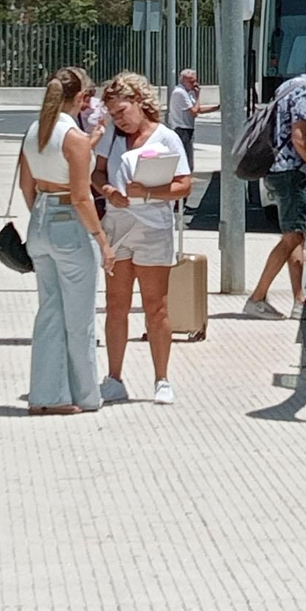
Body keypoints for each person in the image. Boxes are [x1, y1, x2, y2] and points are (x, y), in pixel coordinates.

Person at [92, 72, 193, 405]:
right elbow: (98, 172)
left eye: (122, 112)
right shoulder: (112, 137)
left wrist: (149, 193)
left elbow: (184, 184)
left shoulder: (166, 138)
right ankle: (114, 377)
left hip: (153, 226)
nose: (118, 120)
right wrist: (107, 190)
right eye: (113, 115)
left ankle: (161, 378)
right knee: (116, 305)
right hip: (118, 225)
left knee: (156, 306)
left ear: (139, 101)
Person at [21, 67, 113, 415]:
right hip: (68, 224)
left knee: (49, 312)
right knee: (79, 318)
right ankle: (83, 394)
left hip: (41, 219)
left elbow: (27, 184)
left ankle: (45, 393)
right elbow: (80, 196)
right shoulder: (72, 137)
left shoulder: (35, 131)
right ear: (80, 98)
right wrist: (101, 239)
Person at [244, 52, 306, 320]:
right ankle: (257, 297)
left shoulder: (288, 85)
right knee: (291, 237)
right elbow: (299, 138)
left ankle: (299, 300)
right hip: (289, 171)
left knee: (296, 235)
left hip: (276, 168)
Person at [167, 68, 219, 171]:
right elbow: (194, 112)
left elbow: (197, 109)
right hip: (182, 130)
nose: (194, 84)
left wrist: (216, 108)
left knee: (188, 160)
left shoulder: (187, 93)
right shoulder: (180, 92)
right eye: (191, 81)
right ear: (183, 80)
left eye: (194, 80)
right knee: (186, 162)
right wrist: (198, 96)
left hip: (187, 129)